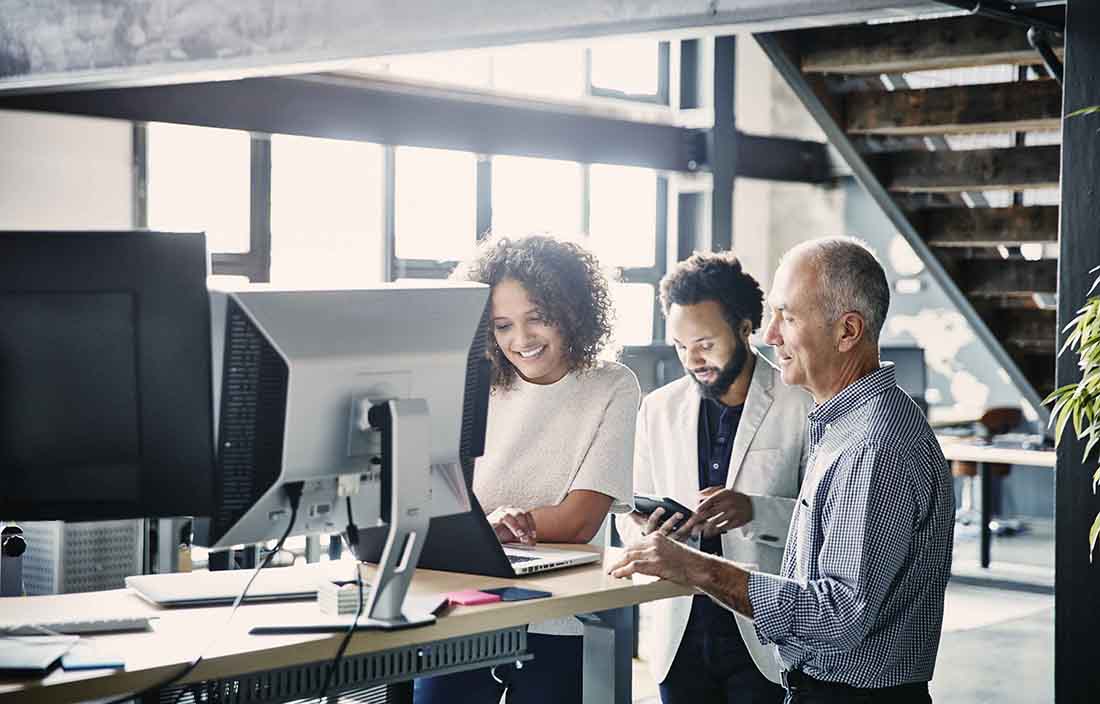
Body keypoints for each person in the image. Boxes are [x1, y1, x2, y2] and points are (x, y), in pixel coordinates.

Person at [610, 237, 954, 704]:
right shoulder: (844, 425)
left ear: (847, 331)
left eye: (787, 317)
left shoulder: (872, 446)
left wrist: (696, 567)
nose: (772, 335)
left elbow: (838, 613)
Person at [415, 234, 641, 704]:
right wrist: (487, 527)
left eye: (537, 318)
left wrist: (483, 526)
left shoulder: (612, 385)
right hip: (461, 609)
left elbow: (579, 521)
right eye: (501, 325)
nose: (521, 340)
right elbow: (428, 500)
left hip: (559, 618)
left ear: (572, 311)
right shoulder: (468, 380)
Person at [616, 252, 813, 704]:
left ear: (745, 328)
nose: (692, 358)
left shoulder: (801, 402)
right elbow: (626, 510)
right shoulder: (658, 408)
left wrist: (753, 510)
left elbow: (828, 520)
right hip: (679, 627)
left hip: (763, 628)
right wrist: (648, 529)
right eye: (681, 346)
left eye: (704, 342)